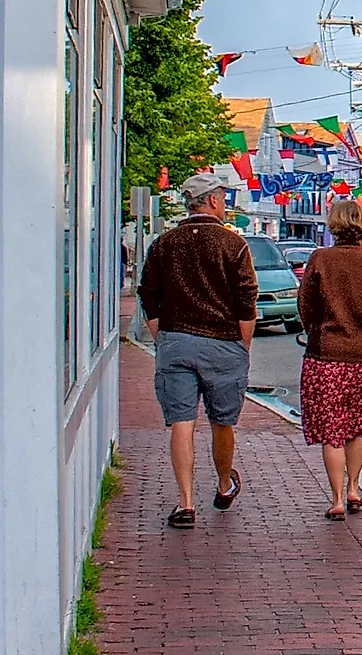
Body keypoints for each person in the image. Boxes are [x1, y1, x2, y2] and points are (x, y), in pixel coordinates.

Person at [136, 172, 258, 529]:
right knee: (223, 421)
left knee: (181, 422)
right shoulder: (232, 244)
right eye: (223, 196)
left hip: (176, 341)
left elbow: (148, 293)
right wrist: (243, 344)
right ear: (215, 201)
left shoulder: (164, 243)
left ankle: (185, 503)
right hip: (223, 343)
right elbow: (246, 298)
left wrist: (162, 336)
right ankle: (222, 485)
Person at [299, 199, 362, 521]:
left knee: (332, 427)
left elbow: (306, 306)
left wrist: (316, 331)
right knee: (359, 425)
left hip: (327, 354)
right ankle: (354, 486)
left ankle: (336, 498)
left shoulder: (320, 259)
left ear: (333, 225)